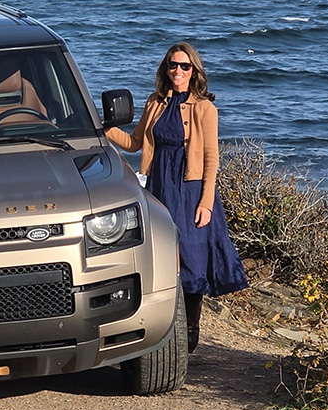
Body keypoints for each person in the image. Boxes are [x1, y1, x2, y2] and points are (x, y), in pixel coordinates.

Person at [105, 42, 248, 353]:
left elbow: (211, 158)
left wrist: (206, 203)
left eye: (185, 66)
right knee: (163, 258)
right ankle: (163, 330)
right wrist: (103, 129)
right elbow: (134, 142)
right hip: (159, 186)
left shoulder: (205, 108)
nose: (178, 71)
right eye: (173, 65)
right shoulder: (154, 102)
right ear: (165, 68)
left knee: (192, 261)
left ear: (194, 71)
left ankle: (190, 332)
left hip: (190, 191)